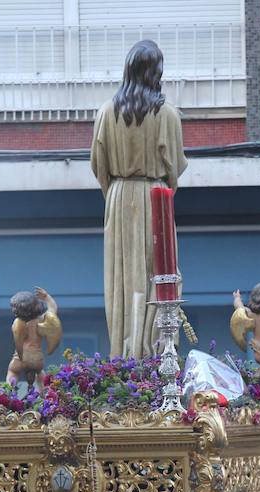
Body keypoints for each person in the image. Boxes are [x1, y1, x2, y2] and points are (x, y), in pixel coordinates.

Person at [90, 39, 188, 359]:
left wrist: (116, 193)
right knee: (155, 273)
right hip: (154, 196)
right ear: (156, 71)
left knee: (120, 279)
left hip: (118, 198)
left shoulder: (106, 112)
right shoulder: (167, 114)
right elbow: (174, 166)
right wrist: (158, 192)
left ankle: (123, 352)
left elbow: (98, 164)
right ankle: (156, 353)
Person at [6, 287, 62, 391]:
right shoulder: (41, 320)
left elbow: (17, 336)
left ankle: (8, 392)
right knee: (40, 376)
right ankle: (45, 395)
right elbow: (53, 309)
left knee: (13, 371)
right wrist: (46, 297)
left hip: (21, 358)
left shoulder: (18, 323)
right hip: (37, 358)